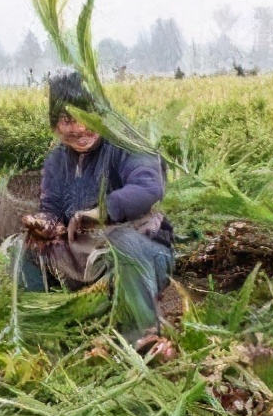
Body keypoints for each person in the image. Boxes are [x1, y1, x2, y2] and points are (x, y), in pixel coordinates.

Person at [16, 70, 174, 349]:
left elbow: (149, 187)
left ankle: (144, 334)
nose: (79, 129)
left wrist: (101, 211)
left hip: (142, 252)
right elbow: (51, 207)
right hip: (87, 257)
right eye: (67, 120)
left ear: (102, 114)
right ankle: (41, 331)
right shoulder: (56, 161)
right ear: (55, 126)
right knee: (26, 248)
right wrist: (44, 223)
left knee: (121, 242)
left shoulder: (126, 145)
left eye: (87, 117)